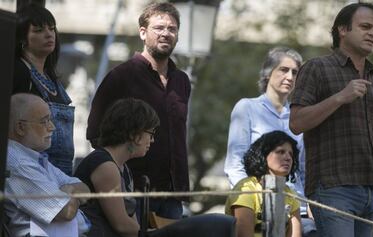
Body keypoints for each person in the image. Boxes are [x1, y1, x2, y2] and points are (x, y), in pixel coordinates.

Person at [289, 2, 373, 237]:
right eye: (365, 27)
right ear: (342, 29)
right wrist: (340, 97)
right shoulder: (317, 68)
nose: (372, 33)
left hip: (369, 191)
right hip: (333, 188)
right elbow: (296, 122)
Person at [86, 2, 190, 220]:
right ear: (143, 32)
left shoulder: (182, 81)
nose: (166, 34)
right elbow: (95, 134)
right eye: (159, 28)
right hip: (133, 193)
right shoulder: (120, 77)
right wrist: (120, 175)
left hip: (173, 194)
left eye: (172, 29)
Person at [76, 98, 235, 237]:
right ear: (134, 134)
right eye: (150, 133)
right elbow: (122, 225)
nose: (151, 140)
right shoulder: (105, 166)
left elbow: (131, 224)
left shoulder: (123, 168)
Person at [224, 47, 317, 236]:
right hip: (258, 206)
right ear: (268, 73)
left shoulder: (300, 116)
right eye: (284, 70)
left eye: (295, 72)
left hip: (296, 208)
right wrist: (251, 202)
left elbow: (305, 169)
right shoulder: (246, 108)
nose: (290, 77)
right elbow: (235, 164)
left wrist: (310, 206)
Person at [5, 93, 90, 237]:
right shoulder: (18, 163)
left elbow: (86, 191)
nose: (52, 127)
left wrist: (66, 192)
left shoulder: (32, 156)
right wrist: (69, 190)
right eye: (44, 121)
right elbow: (66, 211)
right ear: (20, 127)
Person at [13, 4, 75, 176]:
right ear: (22, 38)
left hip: (61, 171)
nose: (49, 34)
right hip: (32, 169)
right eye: (38, 30)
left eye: (52, 29)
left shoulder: (52, 77)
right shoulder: (18, 72)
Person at [225, 131, 302, 237]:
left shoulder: (290, 194)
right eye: (281, 152)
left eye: (291, 154)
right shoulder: (246, 189)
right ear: (263, 155)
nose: (288, 158)